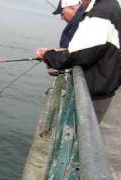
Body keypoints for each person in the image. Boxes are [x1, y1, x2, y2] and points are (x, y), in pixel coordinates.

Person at [37, 0, 121, 178]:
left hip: (96, 92)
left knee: (82, 144)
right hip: (100, 88)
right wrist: (56, 54)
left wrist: (48, 55)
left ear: (74, 7)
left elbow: (78, 54)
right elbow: (87, 48)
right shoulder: (105, 8)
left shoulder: (102, 11)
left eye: (62, 13)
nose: (61, 17)